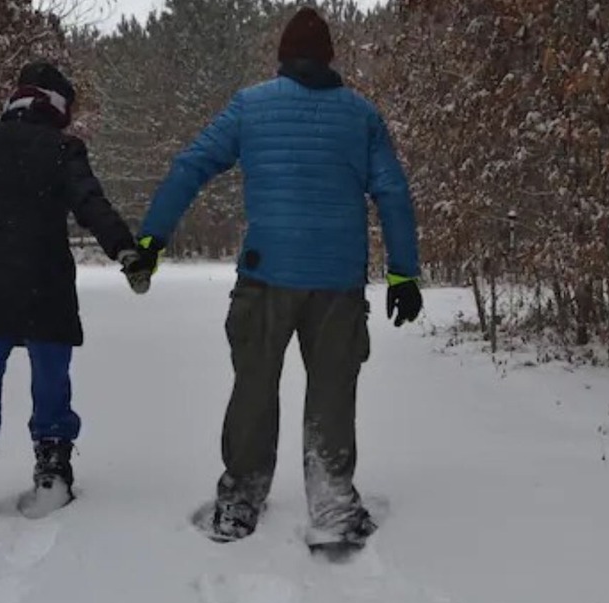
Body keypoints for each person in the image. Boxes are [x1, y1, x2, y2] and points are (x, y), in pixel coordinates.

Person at [138, 7, 423, 557]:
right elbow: (392, 191)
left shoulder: (251, 106)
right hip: (337, 282)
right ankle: (333, 498)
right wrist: (403, 272)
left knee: (253, 386)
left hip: (265, 276)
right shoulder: (360, 115)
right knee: (331, 392)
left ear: (281, 58)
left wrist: (152, 240)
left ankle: (241, 497)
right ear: (330, 57)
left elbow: (190, 165)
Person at [0, 61, 160, 539]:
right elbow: (89, 203)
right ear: (58, 106)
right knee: (51, 376)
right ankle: (53, 470)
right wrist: (126, 250)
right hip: (45, 283)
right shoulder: (62, 149)